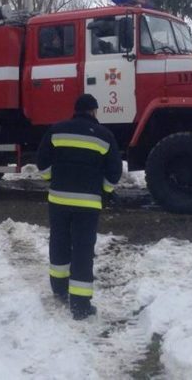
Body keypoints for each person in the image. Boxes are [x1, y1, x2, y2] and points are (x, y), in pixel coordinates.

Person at [36, 93, 123, 320]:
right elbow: (114, 173)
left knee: (59, 242)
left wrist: (51, 180)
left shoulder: (56, 130)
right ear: (94, 111)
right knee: (83, 250)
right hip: (88, 203)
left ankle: (59, 288)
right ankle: (80, 305)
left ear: (75, 110)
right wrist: (104, 191)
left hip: (59, 201)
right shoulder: (104, 136)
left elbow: (42, 162)